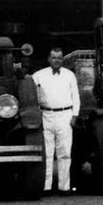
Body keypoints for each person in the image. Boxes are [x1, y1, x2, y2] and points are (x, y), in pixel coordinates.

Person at [32, 47, 80, 194]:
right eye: (54, 57)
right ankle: (46, 186)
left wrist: (75, 115)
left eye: (59, 58)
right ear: (49, 59)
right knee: (47, 152)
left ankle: (64, 187)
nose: (57, 60)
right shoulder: (38, 75)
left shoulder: (69, 75)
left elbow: (75, 96)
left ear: (62, 59)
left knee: (64, 152)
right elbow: (32, 94)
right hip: (46, 115)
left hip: (65, 115)